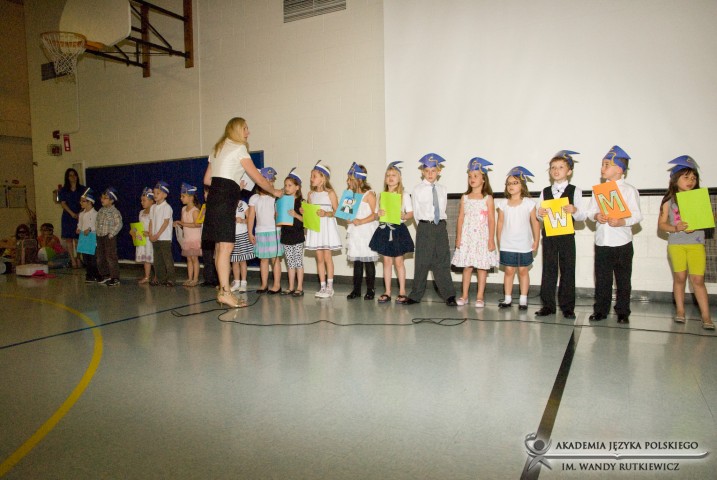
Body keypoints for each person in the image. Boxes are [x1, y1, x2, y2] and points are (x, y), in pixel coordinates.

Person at [202, 117, 282, 308]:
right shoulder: (239, 149)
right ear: (237, 129)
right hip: (225, 199)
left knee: (220, 247)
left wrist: (230, 184)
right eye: (245, 128)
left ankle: (224, 291)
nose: (248, 132)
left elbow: (207, 180)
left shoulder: (217, 148)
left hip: (214, 197)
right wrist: (274, 191)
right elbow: (259, 178)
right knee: (226, 247)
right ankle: (225, 292)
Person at [585, 146, 643, 324]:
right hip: (602, 242)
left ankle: (623, 311)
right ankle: (601, 310)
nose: (602, 168)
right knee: (602, 279)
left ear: (619, 169)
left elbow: (637, 215)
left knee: (623, 279)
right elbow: (590, 212)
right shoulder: (599, 190)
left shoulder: (629, 190)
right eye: (602, 165)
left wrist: (621, 221)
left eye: (606, 165)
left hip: (622, 242)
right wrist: (597, 216)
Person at [657, 156, 714, 330]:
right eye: (686, 177)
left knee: (698, 279)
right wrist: (676, 228)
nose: (691, 181)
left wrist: (707, 218)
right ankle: (680, 310)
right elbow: (662, 225)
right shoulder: (669, 201)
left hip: (696, 244)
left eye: (694, 178)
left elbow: (709, 219)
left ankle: (706, 315)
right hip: (676, 245)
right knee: (680, 277)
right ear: (675, 180)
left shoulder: (700, 199)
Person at [535, 150, 587, 319]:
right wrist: (539, 213)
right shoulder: (544, 191)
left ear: (569, 171)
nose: (556, 170)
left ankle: (567, 307)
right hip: (549, 236)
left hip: (566, 236)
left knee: (567, 270)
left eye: (560, 167)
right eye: (553, 167)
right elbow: (538, 214)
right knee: (548, 270)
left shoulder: (575, 190)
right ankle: (548, 305)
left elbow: (582, 216)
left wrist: (574, 210)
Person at [401, 153, 457, 306]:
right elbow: (416, 213)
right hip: (425, 227)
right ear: (422, 172)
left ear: (439, 171)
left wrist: (439, 225)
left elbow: (442, 208)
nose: (430, 174)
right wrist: (424, 226)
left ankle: (449, 295)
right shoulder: (417, 189)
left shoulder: (443, 189)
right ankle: (415, 295)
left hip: (440, 227)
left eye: (433, 170)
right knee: (422, 262)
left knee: (442, 261)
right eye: (427, 171)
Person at [451, 158, 499, 307]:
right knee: (467, 267)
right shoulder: (465, 197)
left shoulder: (488, 198)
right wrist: (458, 237)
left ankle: (480, 296)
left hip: (482, 237)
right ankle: (464, 295)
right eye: (470, 176)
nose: (472, 179)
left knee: (482, 267)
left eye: (476, 176)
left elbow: (491, 220)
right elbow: (460, 218)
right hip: (467, 237)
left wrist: (491, 239)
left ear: (483, 179)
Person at [369, 161, 414, 304]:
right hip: (384, 229)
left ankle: (402, 291)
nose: (390, 177)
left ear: (399, 178)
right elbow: (375, 214)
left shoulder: (404, 195)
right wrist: (378, 214)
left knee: (399, 261)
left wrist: (404, 215)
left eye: (393, 175)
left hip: (398, 230)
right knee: (387, 262)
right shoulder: (381, 196)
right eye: (388, 175)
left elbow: (411, 213)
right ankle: (387, 291)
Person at [496, 166, 540, 310]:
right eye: (509, 183)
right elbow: (500, 223)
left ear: (522, 185)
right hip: (507, 244)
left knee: (523, 271)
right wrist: (499, 241)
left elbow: (535, 222)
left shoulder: (529, 203)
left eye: (515, 183)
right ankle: (507, 298)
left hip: (524, 244)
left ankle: (523, 299)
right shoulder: (503, 204)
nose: (511, 186)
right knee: (509, 270)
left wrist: (536, 240)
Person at [304, 161, 342, 298]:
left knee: (327, 257)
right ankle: (322, 286)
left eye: (314, 176)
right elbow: (310, 213)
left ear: (323, 178)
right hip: (316, 229)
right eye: (311, 176)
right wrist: (305, 211)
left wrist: (326, 213)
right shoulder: (310, 194)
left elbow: (337, 212)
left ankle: (330, 287)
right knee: (319, 258)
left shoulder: (330, 193)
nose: (311, 179)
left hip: (326, 228)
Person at [344, 163, 379, 300]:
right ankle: (356, 290)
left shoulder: (369, 194)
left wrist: (361, 221)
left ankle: (371, 289)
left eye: (350, 179)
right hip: (355, 233)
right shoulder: (350, 194)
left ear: (359, 180)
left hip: (367, 232)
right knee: (357, 262)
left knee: (368, 261)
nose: (347, 181)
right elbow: (347, 214)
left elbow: (375, 214)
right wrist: (348, 218)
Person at [247, 167, 283, 294]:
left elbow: (282, 212)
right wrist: (250, 232)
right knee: (263, 259)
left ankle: (277, 285)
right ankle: (264, 284)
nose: (269, 183)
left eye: (271, 180)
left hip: (274, 231)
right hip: (260, 232)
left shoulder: (276, 197)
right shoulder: (254, 198)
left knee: (275, 258)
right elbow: (251, 216)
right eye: (267, 180)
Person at [279, 168, 305, 296]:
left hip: (298, 235)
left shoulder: (302, 202)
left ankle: (299, 287)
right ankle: (290, 287)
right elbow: (280, 218)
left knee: (298, 261)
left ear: (297, 187)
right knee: (289, 262)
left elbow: (306, 221)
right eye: (285, 185)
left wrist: (296, 214)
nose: (287, 188)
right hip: (286, 235)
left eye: (290, 185)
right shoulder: (282, 201)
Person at [173, 182, 203, 287]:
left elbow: (197, 225)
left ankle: (195, 279)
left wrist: (183, 223)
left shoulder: (195, 211)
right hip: (187, 238)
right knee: (189, 259)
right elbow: (183, 223)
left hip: (194, 239)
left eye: (183, 196)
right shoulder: (183, 209)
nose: (181, 198)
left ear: (191, 197)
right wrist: (178, 224)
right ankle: (190, 278)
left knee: (194, 259)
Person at [149, 180, 175, 287]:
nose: (155, 195)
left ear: (165, 195)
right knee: (157, 259)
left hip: (164, 237)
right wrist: (151, 234)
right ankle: (160, 278)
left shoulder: (167, 207)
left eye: (158, 193)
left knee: (167, 259)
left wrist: (157, 235)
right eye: (154, 193)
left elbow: (165, 223)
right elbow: (151, 222)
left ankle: (171, 279)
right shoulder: (153, 207)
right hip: (155, 237)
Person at [58, 168, 86, 268]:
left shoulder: (83, 189)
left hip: (80, 215)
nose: (73, 177)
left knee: (78, 238)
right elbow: (63, 203)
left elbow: (86, 202)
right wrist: (72, 213)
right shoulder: (63, 190)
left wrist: (79, 213)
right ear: (67, 177)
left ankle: (78, 258)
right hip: (68, 216)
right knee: (69, 239)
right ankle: (72, 260)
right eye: (70, 175)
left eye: (74, 175)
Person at [95, 187, 123, 286]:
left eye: (105, 198)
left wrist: (111, 234)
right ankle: (105, 274)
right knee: (100, 257)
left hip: (109, 237)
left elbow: (119, 224)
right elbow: (97, 222)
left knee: (111, 257)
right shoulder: (100, 210)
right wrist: (97, 233)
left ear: (112, 200)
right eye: (102, 197)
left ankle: (115, 277)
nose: (102, 200)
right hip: (100, 236)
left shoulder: (114, 212)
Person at [229, 189, 253, 293]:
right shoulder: (228, 204)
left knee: (243, 260)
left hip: (242, 235)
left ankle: (243, 283)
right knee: (234, 261)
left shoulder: (243, 204)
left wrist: (242, 220)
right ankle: (236, 282)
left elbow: (250, 218)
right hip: (231, 236)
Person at [130, 187, 155, 284]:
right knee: (146, 259)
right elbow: (139, 226)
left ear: (151, 201)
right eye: (141, 200)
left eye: (144, 200)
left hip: (151, 238)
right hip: (143, 239)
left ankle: (158, 276)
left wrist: (149, 233)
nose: (142, 202)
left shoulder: (154, 212)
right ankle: (147, 276)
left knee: (154, 257)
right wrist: (133, 231)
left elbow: (156, 225)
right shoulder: (141, 213)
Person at [77, 188, 100, 282]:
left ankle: (96, 274)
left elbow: (97, 225)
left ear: (90, 202)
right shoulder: (81, 214)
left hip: (91, 237)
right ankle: (89, 274)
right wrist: (79, 228)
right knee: (85, 257)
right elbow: (80, 223)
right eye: (81, 201)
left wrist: (90, 229)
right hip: (83, 237)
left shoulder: (95, 214)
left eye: (83, 201)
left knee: (92, 258)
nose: (81, 203)